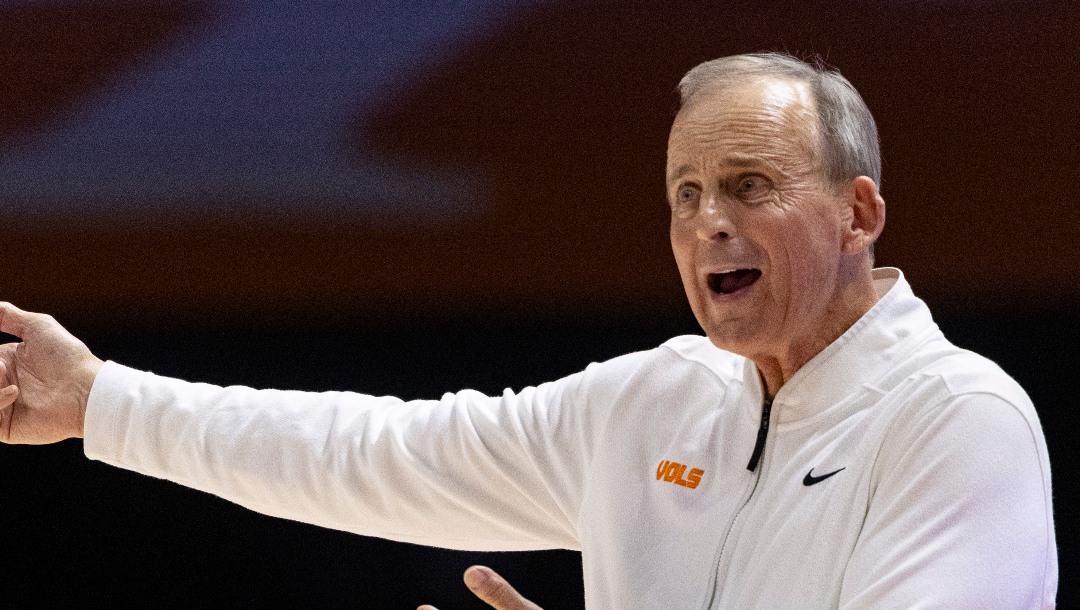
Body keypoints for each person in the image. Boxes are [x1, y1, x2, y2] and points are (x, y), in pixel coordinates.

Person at [0, 53, 1057, 608]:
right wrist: (102, 402)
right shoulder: (655, 403)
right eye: (685, 194)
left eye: (749, 185)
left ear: (859, 214)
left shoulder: (957, 423)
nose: (708, 223)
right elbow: (381, 453)